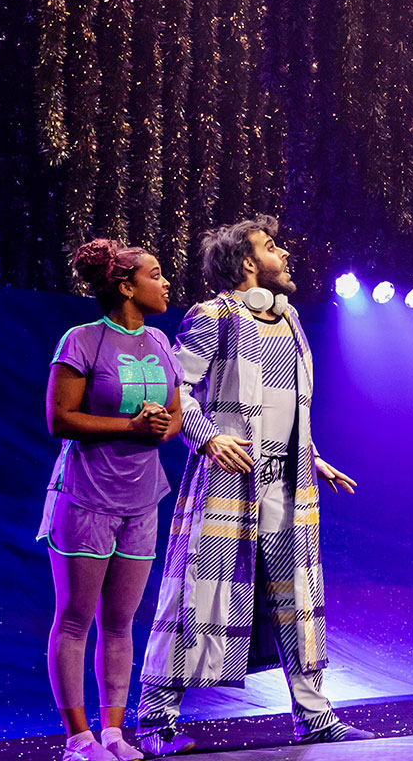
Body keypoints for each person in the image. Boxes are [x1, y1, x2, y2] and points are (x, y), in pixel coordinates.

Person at [137, 217, 369, 754]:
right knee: (198, 594)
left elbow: (287, 404)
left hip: (288, 483)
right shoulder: (211, 316)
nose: (284, 252)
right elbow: (179, 392)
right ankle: (155, 722)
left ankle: (314, 716)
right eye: (271, 247)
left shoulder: (289, 323)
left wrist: (314, 456)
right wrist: (207, 437)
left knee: (299, 597)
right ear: (247, 264)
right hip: (227, 479)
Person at [42, 240, 181, 761]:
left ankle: (115, 734)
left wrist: (163, 426)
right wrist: (132, 424)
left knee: (121, 622)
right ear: (126, 286)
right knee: (76, 618)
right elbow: (60, 419)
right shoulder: (83, 341)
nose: (165, 282)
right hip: (86, 497)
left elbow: (168, 418)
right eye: (156, 273)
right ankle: (79, 739)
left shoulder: (162, 343)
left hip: (142, 500)